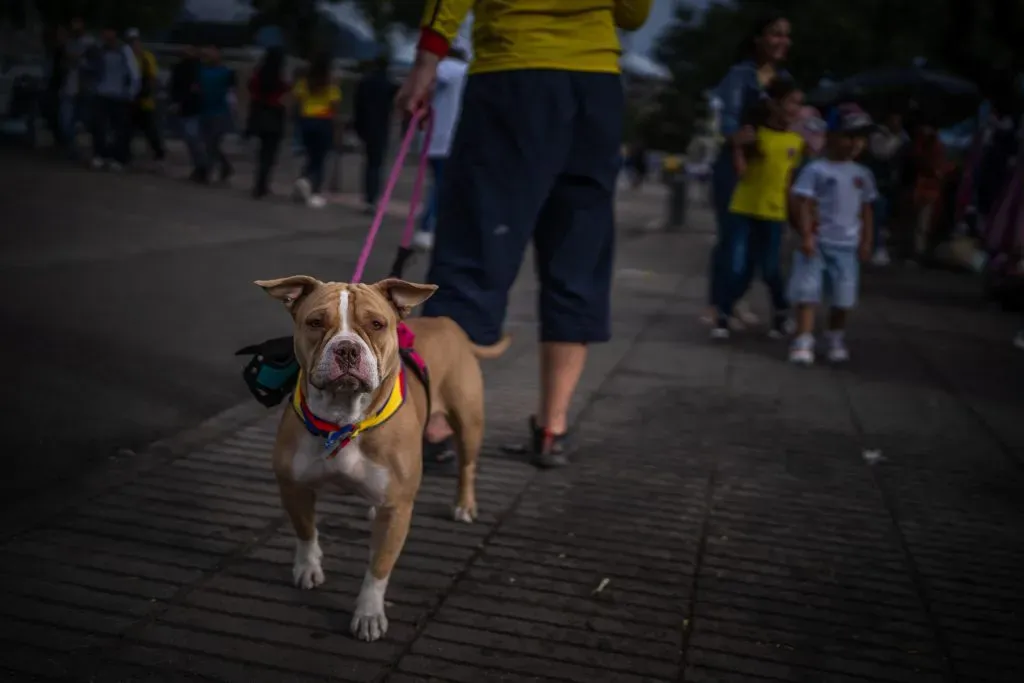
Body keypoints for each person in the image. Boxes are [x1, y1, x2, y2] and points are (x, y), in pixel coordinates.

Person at [396, 0, 653, 469]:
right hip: (596, 87)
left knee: (477, 245)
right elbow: (633, 12)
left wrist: (426, 63)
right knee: (579, 249)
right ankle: (552, 428)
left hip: (513, 76)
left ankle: (438, 426)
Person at [706, 13, 793, 330]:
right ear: (758, 39)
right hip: (736, 166)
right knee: (733, 241)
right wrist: (736, 138)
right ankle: (719, 304)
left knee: (760, 245)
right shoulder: (739, 75)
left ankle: (734, 299)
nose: (782, 41)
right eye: (775, 34)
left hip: (768, 171)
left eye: (786, 35)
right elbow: (725, 120)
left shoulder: (785, 80)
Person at [712, 77, 805, 340]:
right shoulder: (755, 134)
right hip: (744, 207)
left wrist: (797, 220)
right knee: (737, 265)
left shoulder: (795, 143)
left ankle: (780, 312)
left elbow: (789, 184)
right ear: (775, 104)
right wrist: (739, 147)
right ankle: (723, 315)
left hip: (774, 212)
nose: (796, 109)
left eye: (799, 104)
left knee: (771, 268)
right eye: (792, 102)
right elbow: (741, 172)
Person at [787, 108, 878, 365]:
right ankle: (803, 339)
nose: (855, 144)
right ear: (832, 136)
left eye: (861, 138)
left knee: (843, 295)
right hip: (816, 242)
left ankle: (835, 336)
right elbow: (804, 203)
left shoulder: (863, 175)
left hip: (847, 245)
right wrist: (806, 234)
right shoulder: (817, 169)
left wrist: (867, 240)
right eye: (849, 136)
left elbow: (867, 209)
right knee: (808, 292)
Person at [412, 45, 469, 251]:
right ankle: (428, 227)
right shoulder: (459, 70)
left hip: (432, 137)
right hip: (448, 140)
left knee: (438, 185)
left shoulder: (448, 70)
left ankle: (431, 225)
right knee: (442, 187)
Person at [292, 52, 341, 209]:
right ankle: (314, 190)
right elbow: (335, 105)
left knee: (310, 154)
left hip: (306, 120)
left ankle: (304, 180)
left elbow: (297, 101)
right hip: (323, 120)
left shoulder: (304, 82)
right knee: (319, 158)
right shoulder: (330, 84)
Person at [90, 25, 140, 171]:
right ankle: (100, 155)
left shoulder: (124, 50)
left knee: (119, 129)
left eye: (108, 31)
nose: (105, 34)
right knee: (99, 126)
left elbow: (134, 73)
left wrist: (131, 93)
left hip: (119, 96)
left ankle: (118, 158)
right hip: (102, 93)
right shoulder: (100, 50)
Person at [353, 56, 398, 212]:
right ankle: (372, 198)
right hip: (381, 126)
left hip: (366, 125)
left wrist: (357, 126)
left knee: (369, 163)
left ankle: (368, 196)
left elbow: (357, 105)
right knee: (377, 164)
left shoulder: (365, 82)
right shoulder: (389, 85)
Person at [866, 111, 908, 266]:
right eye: (894, 120)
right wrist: (897, 140)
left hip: (893, 185)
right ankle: (876, 247)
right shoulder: (878, 136)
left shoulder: (903, 138)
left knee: (887, 218)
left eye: (899, 121)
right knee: (877, 215)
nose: (897, 124)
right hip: (877, 183)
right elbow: (882, 153)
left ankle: (880, 246)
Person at [247, 46, 290, 199]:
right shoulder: (281, 78)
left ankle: (259, 183)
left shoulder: (258, 75)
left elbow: (251, 90)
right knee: (270, 153)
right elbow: (285, 96)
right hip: (275, 115)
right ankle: (263, 184)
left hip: (259, 114)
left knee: (261, 152)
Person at [197, 45, 236, 184]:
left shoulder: (224, 72)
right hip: (206, 111)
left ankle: (208, 171)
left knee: (212, 143)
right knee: (210, 144)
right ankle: (224, 167)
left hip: (219, 112)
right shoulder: (202, 71)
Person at [126, 28, 165, 164]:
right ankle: (126, 154)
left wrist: (150, 94)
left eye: (136, 41)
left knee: (150, 129)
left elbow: (152, 78)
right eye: (131, 42)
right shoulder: (127, 57)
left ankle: (159, 153)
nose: (134, 45)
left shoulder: (147, 57)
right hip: (130, 99)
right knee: (128, 128)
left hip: (144, 99)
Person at [169, 45, 204, 180]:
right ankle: (199, 166)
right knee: (191, 139)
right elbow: (174, 87)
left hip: (195, 108)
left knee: (193, 138)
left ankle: (201, 167)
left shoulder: (198, 68)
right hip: (187, 108)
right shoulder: (181, 68)